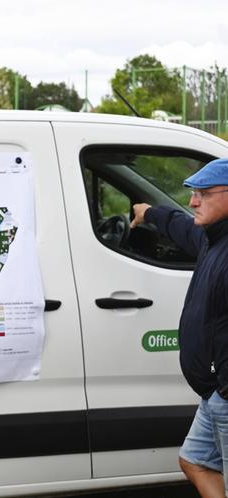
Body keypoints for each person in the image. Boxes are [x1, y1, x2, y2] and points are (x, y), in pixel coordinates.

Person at [131, 157, 228, 498]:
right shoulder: (211, 238)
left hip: (225, 393)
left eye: (204, 193)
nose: (192, 201)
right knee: (194, 461)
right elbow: (180, 225)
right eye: (192, 192)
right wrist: (148, 213)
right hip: (213, 393)